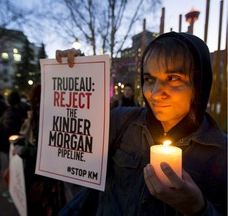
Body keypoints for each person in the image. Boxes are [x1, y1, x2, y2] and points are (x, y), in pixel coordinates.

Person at [56, 32, 227, 215]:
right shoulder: (122, 122)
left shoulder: (221, 154)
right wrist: (75, 74)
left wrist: (198, 208)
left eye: (173, 78)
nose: (155, 93)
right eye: (149, 79)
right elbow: (76, 146)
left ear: (199, 85)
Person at [12, 83, 67, 216]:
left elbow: (46, 150)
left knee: (42, 203)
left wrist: (23, 150)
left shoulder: (45, 117)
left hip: (43, 175)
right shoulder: (39, 115)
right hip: (40, 172)